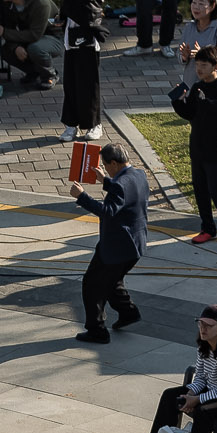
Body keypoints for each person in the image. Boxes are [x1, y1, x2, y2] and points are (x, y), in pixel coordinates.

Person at [70, 140, 148, 344]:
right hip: (135, 244)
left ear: (113, 163)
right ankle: (128, 312)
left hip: (116, 247)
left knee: (92, 284)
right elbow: (125, 192)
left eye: (105, 166)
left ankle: (97, 330)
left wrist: (82, 197)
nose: (105, 169)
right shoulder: (139, 175)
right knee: (112, 280)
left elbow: (108, 210)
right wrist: (105, 181)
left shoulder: (120, 185)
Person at [172, 49, 217, 250]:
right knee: (200, 190)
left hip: (215, 148)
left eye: (204, 65)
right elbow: (190, 113)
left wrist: (205, 101)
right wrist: (178, 102)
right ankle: (208, 228)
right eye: (197, 65)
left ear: (216, 67)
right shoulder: (196, 87)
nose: (199, 69)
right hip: (197, 146)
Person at [60, 0, 106, 140]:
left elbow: (82, 11)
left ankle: (94, 124)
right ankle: (71, 124)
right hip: (71, 43)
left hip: (87, 44)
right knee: (71, 86)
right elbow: (68, 8)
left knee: (88, 86)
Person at [0, 0, 57, 89]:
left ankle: (49, 75)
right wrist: (16, 46)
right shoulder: (7, 2)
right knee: (6, 50)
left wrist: (4, 32)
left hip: (52, 37)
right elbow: (9, 27)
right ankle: (34, 72)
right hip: (29, 37)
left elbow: (35, 35)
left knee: (35, 49)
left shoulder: (40, 3)